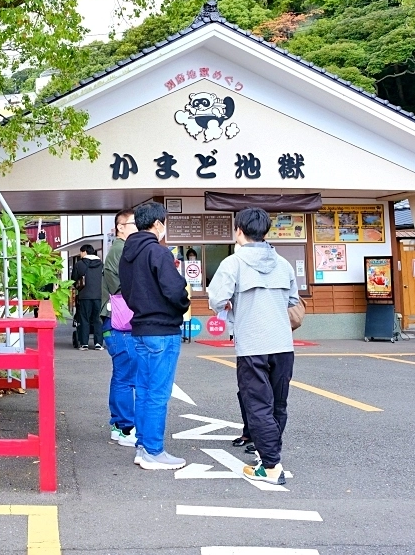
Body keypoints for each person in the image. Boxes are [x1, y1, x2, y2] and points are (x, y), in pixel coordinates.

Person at [207, 207, 299, 485]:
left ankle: (270, 465)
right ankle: (268, 454)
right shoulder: (283, 264)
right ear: (266, 232)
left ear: (238, 230)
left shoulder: (233, 263)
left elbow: (216, 299)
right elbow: (293, 301)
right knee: (278, 404)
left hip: (252, 346)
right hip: (283, 344)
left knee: (258, 404)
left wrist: (232, 305)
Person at [119, 202, 189, 470]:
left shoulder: (128, 254)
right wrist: (181, 305)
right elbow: (175, 290)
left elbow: (125, 291)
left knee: (145, 391)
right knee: (158, 393)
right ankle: (153, 451)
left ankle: (143, 446)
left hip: (139, 328)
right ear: (158, 224)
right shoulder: (159, 253)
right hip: (163, 330)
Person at [101, 209, 137, 446]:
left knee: (121, 375)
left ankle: (118, 424)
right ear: (120, 227)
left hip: (112, 322)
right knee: (126, 375)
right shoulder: (122, 250)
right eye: (134, 223)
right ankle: (125, 427)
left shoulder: (118, 250)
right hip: (120, 323)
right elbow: (126, 287)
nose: (138, 226)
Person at [73, 244, 104, 350]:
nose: (80, 254)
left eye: (81, 252)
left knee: (84, 319)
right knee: (97, 319)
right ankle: (98, 343)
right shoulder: (101, 264)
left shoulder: (79, 264)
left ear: (84, 252)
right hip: (99, 296)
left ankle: (84, 343)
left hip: (84, 296)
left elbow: (74, 280)